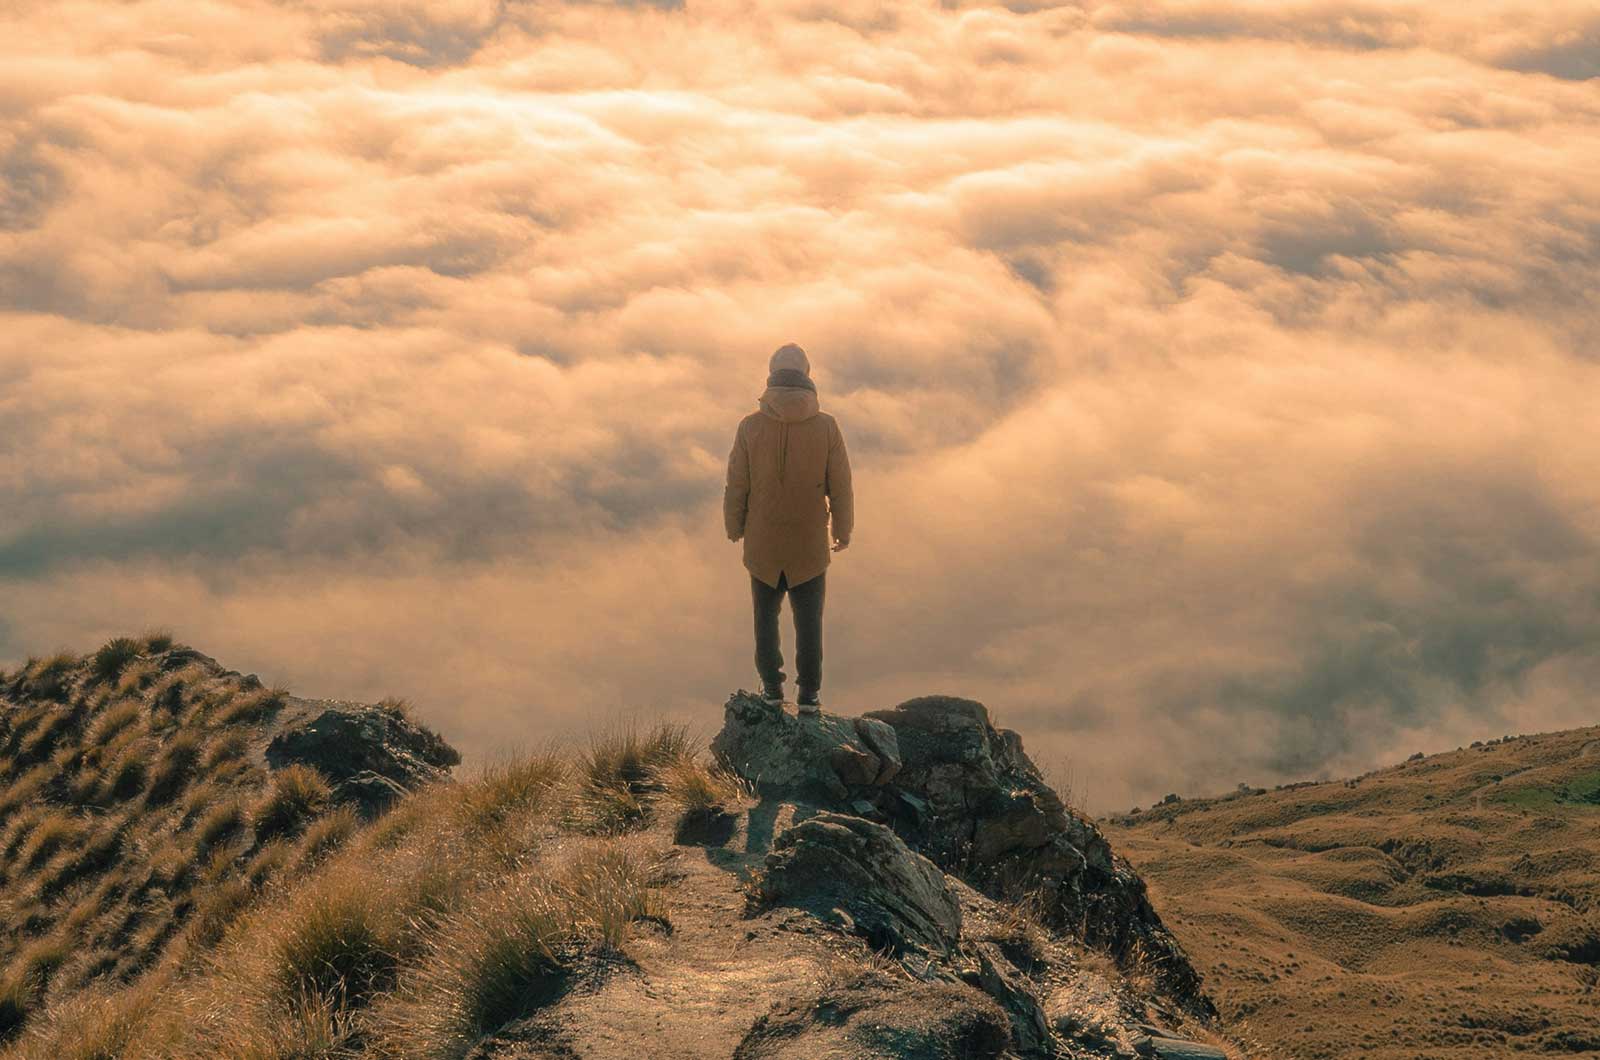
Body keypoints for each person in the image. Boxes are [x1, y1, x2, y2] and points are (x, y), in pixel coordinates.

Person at [723, 343, 853, 714]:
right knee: (809, 621)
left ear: (771, 375)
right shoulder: (827, 426)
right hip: (809, 541)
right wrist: (842, 530)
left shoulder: (750, 427)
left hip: (762, 540)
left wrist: (734, 525)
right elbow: (840, 483)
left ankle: (771, 689)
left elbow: (738, 483)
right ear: (807, 376)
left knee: (765, 617)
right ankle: (809, 695)